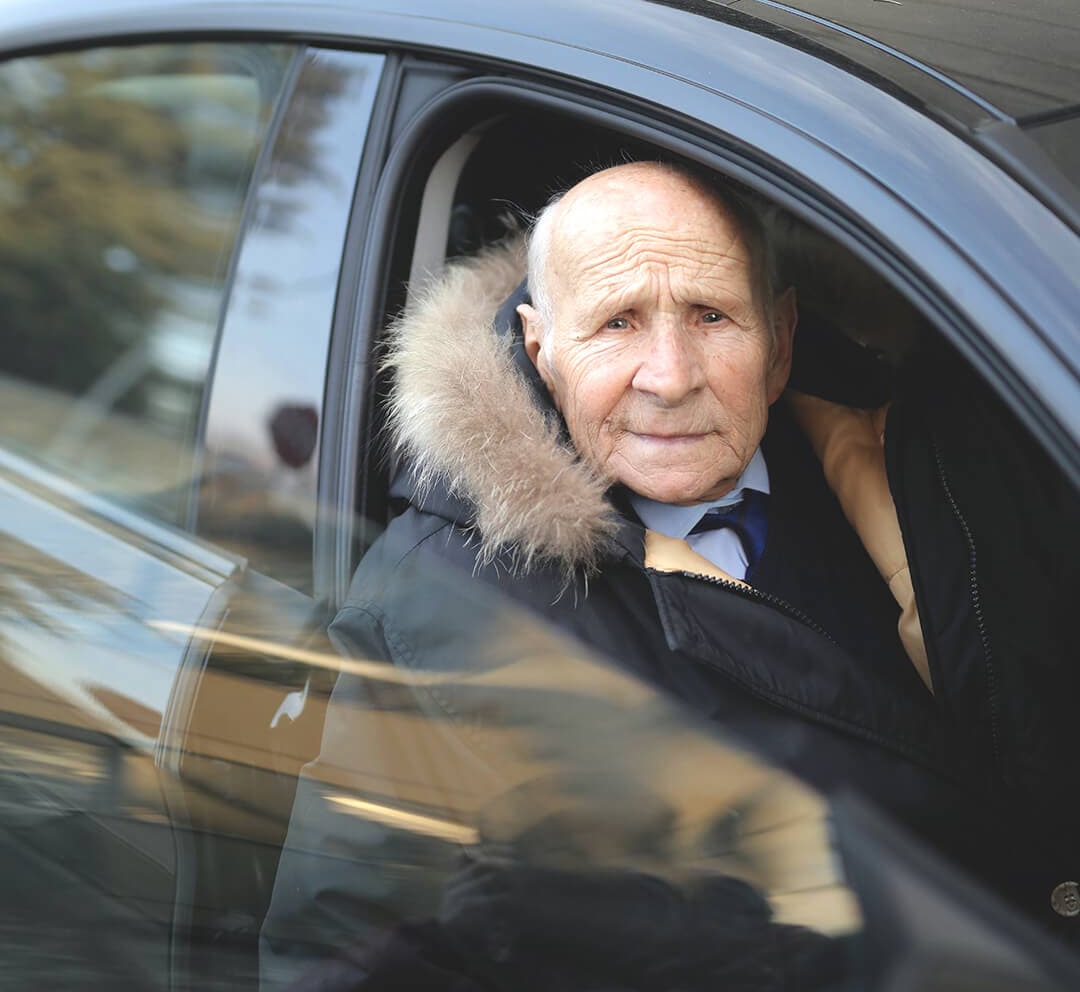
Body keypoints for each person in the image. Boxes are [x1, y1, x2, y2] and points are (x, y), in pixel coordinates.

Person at [262, 162, 1077, 983]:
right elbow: (339, 958)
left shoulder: (938, 464)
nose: (671, 375)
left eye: (712, 316)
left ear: (781, 342)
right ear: (542, 353)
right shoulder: (434, 608)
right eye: (617, 324)